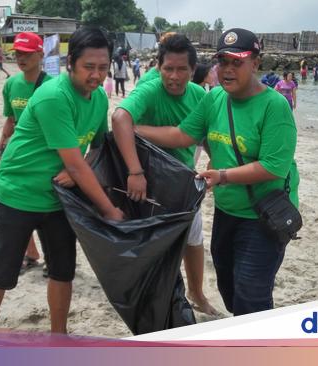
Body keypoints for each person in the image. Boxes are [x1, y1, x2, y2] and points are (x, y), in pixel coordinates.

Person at [135, 28, 299, 316]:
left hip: (263, 216)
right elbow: (182, 135)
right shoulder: (214, 99)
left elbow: (273, 167)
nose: (228, 69)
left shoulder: (275, 106)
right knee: (228, 285)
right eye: (223, 62)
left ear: (256, 63)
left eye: (238, 62)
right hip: (227, 211)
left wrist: (222, 176)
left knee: (252, 294)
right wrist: (132, 128)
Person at [0, 27, 124, 333]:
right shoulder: (53, 97)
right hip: (17, 193)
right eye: (89, 67)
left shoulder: (98, 98)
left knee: (62, 271)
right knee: (1, 274)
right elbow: (74, 162)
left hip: (59, 200)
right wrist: (109, 210)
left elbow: (96, 148)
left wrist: (79, 166)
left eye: (102, 67)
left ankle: (59, 335)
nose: (96, 75)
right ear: (70, 62)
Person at [111, 34, 218, 316]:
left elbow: (205, 136)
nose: (174, 76)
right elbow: (120, 118)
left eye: (182, 69)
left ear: (193, 71)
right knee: (152, 246)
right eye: (168, 68)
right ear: (158, 67)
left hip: (184, 180)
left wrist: (217, 168)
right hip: (148, 182)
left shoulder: (199, 96)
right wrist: (135, 171)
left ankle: (196, 293)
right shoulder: (149, 90)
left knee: (194, 241)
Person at [0, 31, 50, 274]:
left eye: (27, 53)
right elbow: (10, 121)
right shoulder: (11, 84)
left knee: (49, 210)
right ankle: (31, 253)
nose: (21, 58)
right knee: (15, 204)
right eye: (17, 54)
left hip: (45, 156)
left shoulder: (51, 86)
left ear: (40, 54)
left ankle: (54, 258)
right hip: (17, 155)